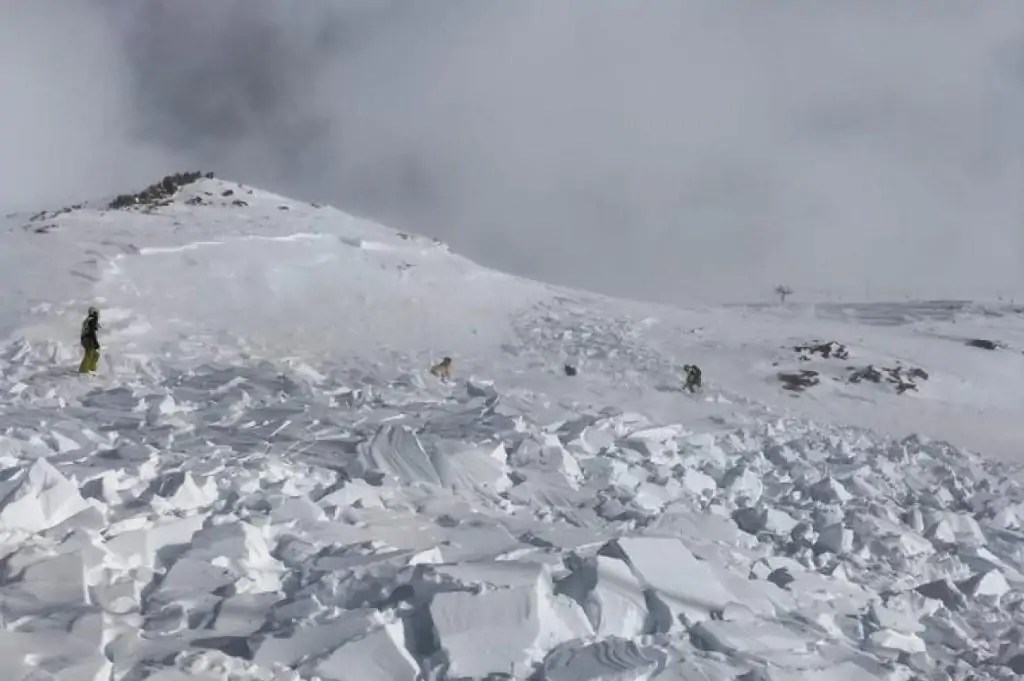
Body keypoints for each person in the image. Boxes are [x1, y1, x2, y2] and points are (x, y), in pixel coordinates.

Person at [79, 307, 101, 373]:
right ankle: (84, 370)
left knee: (95, 354)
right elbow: (92, 332)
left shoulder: (88, 320)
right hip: (89, 339)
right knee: (90, 354)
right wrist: (95, 342)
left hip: (85, 339)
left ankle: (91, 368)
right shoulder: (92, 320)